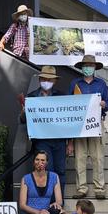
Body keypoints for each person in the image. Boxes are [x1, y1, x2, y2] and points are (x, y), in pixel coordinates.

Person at [19, 65, 72, 197]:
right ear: (40, 79)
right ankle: (47, 201)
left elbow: (70, 120)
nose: (47, 81)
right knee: (46, 170)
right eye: (44, 78)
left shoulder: (62, 96)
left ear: (55, 81)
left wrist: (70, 143)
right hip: (41, 141)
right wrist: (24, 112)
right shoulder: (31, 97)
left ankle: (59, 203)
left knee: (60, 171)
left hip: (59, 140)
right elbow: (23, 120)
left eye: (50, 79)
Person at [68, 55, 108, 199]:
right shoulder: (74, 83)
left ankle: (99, 188)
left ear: (94, 68)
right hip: (79, 124)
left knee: (98, 156)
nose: (88, 68)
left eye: (90, 65)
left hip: (96, 124)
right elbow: (67, 104)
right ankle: (81, 188)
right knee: (79, 157)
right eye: (85, 65)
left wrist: (104, 104)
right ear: (82, 67)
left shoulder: (101, 84)